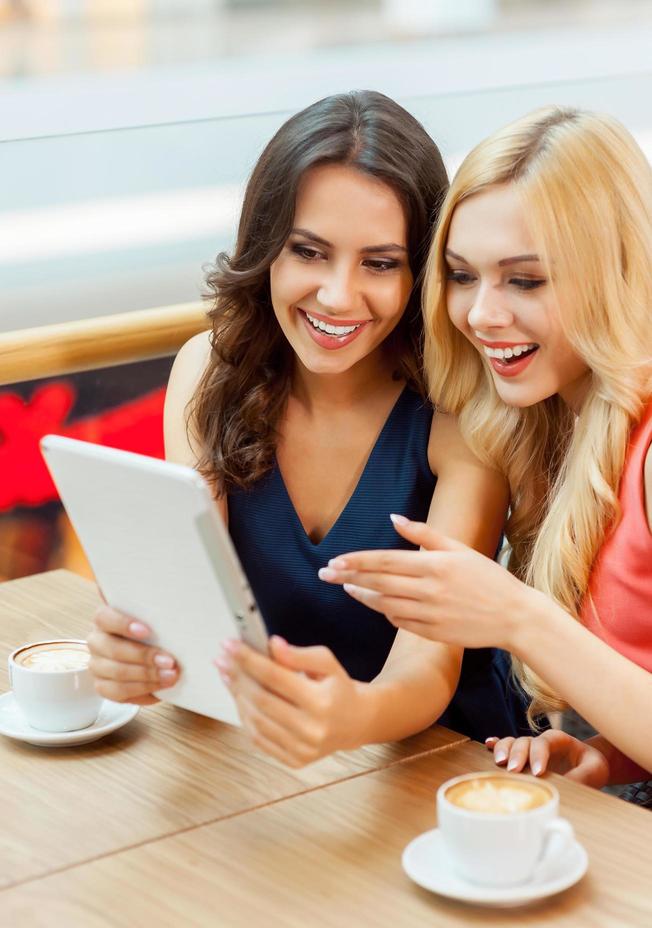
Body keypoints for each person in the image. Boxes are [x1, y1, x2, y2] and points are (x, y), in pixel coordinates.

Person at [87, 90, 532, 768]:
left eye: (380, 263)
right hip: (265, 756)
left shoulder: (461, 413)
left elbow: (427, 670)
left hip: (444, 765)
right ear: (267, 248)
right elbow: (195, 606)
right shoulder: (208, 371)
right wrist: (145, 654)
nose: (336, 296)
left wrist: (349, 717)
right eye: (309, 251)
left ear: (420, 276)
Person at [321, 106, 652, 788]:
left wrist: (516, 617)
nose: (480, 314)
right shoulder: (542, 423)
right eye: (463, 276)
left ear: (617, 271)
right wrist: (604, 758)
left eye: (525, 280)